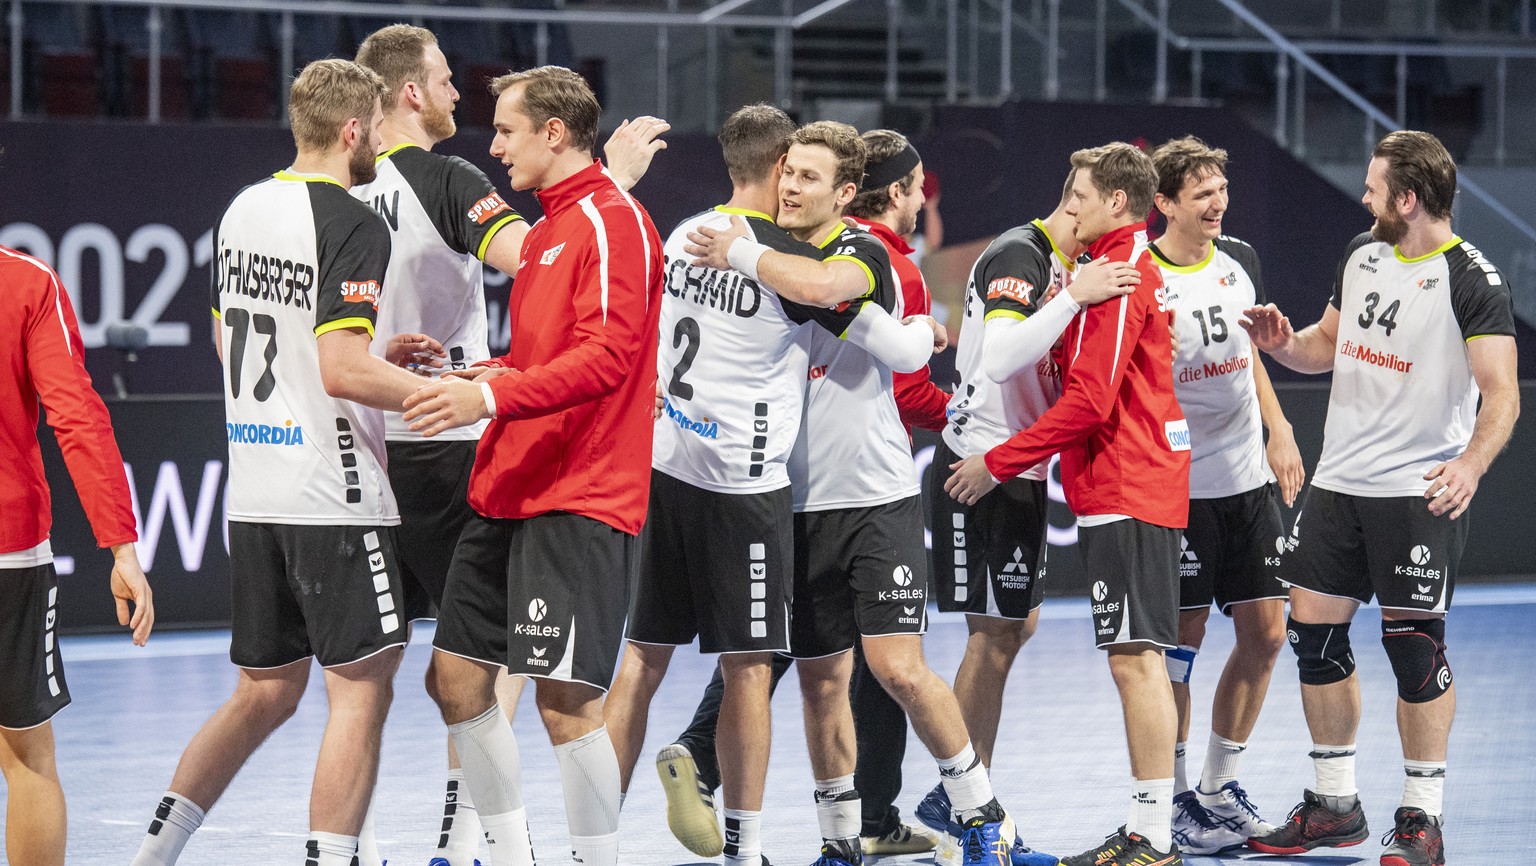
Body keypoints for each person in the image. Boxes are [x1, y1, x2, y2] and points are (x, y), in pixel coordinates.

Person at [350, 26, 667, 866]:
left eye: (508, 132)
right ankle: (509, 853)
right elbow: (540, 356)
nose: (492, 146)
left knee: (566, 704)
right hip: (506, 486)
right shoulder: (558, 229)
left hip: (577, 493)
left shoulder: (610, 222)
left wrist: (483, 393)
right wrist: (463, 369)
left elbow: (606, 356)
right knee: (453, 682)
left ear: (554, 133)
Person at [603, 106, 942, 866]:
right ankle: (743, 850)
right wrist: (923, 334)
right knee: (749, 672)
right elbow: (872, 326)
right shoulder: (785, 258)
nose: (797, 183)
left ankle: (590, 849)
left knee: (640, 664)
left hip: (668, 468)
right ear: (780, 163)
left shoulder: (682, 232)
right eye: (795, 169)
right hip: (747, 487)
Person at [688, 121, 1012, 866]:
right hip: (787, 499)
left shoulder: (862, 250)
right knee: (820, 682)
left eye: (810, 176)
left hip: (875, 499)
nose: (793, 186)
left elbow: (842, 300)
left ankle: (981, 816)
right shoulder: (767, 257)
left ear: (844, 194)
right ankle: (843, 844)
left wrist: (741, 250)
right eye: (787, 173)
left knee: (897, 667)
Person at [129, 59, 426, 866]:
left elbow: (234, 338)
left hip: (256, 488)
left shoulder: (243, 208)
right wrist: (449, 393)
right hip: (333, 494)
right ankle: (331, 859)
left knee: (263, 692)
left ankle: (154, 852)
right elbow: (340, 372)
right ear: (354, 130)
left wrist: (372, 352)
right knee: (361, 689)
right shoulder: (355, 218)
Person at [1243, 130, 1518, 866]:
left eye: (1374, 189)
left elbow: (1502, 395)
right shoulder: (1363, 254)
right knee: (1314, 638)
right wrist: (1283, 344)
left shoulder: (1473, 280)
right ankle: (1334, 804)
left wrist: (1471, 463)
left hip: (1414, 492)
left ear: (1409, 199)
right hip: (1339, 483)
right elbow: (1323, 346)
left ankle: (1422, 819)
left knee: (1415, 651)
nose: (1363, 199)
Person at [945, 142, 1189, 866]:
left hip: (1129, 484)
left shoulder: (1118, 276)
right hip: (1116, 484)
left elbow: (1088, 401)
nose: (1067, 208)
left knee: (1135, 659)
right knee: (1133, 657)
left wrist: (1000, 459)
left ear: (1116, 202)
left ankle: (1151, 836)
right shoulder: (1099, 271)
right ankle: (1149, 829)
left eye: (1078, 195)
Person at [1146, 136, 1304, 855]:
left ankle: (1218, 788)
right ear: (1165, 202)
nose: (1216, 203)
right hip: (1180, 488)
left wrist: (1280, 429)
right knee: (1182, 644)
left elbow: (1248, 357)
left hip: (1246, 478)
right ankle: (1177, 800)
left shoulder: (1237, 267)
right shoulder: (1140, 276)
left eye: (1220, 190)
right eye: (1201, 193)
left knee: (1268, 634)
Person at [0, 245, 154, 866]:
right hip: (8, 550)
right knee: (27, 758)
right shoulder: (26, 282)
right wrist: (122, 549)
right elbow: (78, 418)